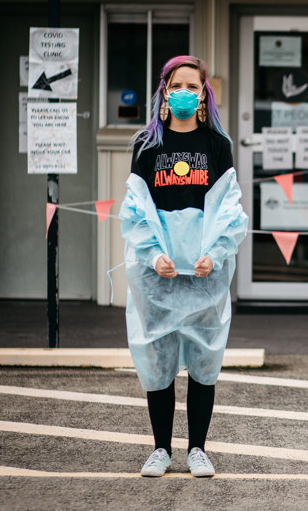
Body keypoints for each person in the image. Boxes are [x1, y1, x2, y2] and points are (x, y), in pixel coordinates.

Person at [120, 55, 248, 478]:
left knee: (203, 360)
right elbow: (136, 208)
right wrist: (153, 254)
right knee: (157, 360)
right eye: (178, 86)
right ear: (164, 91)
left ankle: (197, 449)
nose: (185, 93)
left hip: (204, 273)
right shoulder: (146, 145)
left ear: (203, 96)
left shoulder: (217, 145)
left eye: (193, 87)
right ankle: (160, 448)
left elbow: (229, 209)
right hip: (157, 273)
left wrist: (216, 251)